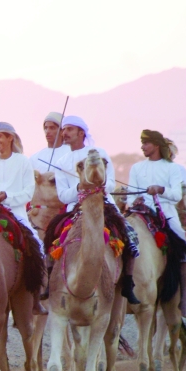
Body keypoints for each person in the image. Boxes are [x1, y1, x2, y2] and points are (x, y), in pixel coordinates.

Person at [50, 115, 140, 303]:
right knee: (51, 235)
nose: (64, 133)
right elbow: (63, 196)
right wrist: (80, 187)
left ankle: (128, 283)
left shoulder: (99, 153)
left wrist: (94, 187)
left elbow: (110, 185)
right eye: (64, 130)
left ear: (81, 132)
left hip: (103, 205)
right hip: (75, 208)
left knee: (130, 236)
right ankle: (51, 284)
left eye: (69, 130)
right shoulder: (61, 161)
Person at [0, 121, 47, 314]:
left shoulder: (23, 161)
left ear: (10, 137)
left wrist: (8, 197)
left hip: (15, 213)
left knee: (37, 245)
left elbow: (27, 193)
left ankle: (35, 297)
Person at [128, 130, 186, 317]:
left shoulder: (172, 168)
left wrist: (159, 189)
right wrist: (134, 201)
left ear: (156, 145)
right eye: (142, 143)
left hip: (166, 212)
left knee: (185, 248)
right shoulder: (136, 168)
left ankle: (183, 301)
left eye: (146, 143)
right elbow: (131, 194)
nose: (142, 147)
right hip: (140, 211)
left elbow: (175, 195)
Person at [27, 111, 71, 178]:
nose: (47, 131)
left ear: (62, 131)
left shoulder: (71, 154)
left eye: (52, 128)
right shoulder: (35, 158)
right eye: (46, 128)